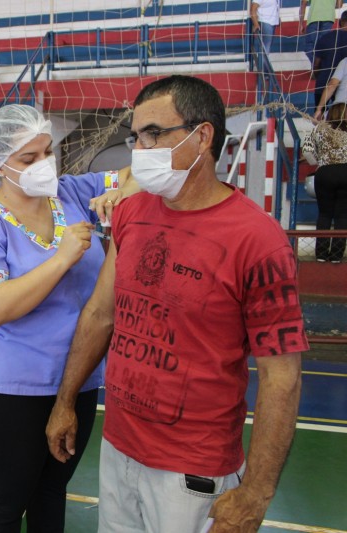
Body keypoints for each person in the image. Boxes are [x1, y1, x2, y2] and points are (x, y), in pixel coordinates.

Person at [46, 75, 307, 533]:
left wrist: (256, 494)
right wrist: (65, 400)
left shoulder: (258, 241)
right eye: (135, 136)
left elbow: (280, 378)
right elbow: (100, 314)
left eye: (153, 134)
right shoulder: (131, 213)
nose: (139, 149)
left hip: (193, 473)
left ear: (202, 135)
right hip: (119, 449)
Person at [0, 104, 135, 532]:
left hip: (77, 375)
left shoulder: (69, 193)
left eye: (48, 152)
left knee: (53, 488)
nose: (44, 165)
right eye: (28, 159)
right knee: (9, 497)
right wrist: (61, 258)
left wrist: (118, 192)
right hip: (12, 383)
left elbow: (137, 174)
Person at [305, 103, 347, 262]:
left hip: (325, 172)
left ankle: (321, 255)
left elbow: (307, 150)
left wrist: (317, 161)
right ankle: (336, 255)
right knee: (343, 216)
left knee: (324, 213)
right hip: (346, 172)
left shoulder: (319, 129)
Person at [312, 12, 347, 109]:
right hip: (342, 87)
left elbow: (316, 64)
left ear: (340, 22)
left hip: (323, 83)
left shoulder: (324, 38)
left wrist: (317, 75)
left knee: (319, 118)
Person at [300, 0, 343, 65]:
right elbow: (339, 5)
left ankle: (314, 67)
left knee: (310, 45)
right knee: (323, 46)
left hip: (314, 17)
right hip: (328, 17)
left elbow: (304, 3)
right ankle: (320, 68)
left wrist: (301, 23)